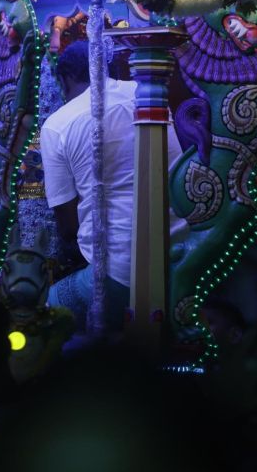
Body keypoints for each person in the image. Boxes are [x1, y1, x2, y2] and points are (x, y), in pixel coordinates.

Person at [38, 40, 186, 330]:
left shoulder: (57, 125)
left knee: (40, 316)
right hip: (181, 251)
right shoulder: (146, 93)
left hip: (119, 274)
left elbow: (67, 227)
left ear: (64, 79)